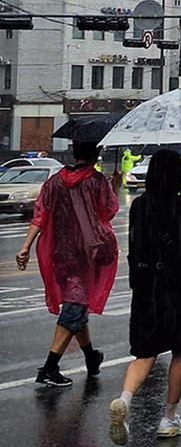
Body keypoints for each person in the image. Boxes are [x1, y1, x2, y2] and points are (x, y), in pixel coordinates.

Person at [108, 150, 181, 443]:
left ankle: (124, 400)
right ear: (178, 174)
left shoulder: (139, 206)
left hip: (146, 287)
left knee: (145, 353)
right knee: (180, 350)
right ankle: (169, 417)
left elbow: (135, 245)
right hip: (178, 288)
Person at [15, 140, 118, 388]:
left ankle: (91, 356)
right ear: (96, 155)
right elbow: (110, 210)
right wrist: (114, 185)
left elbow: (40, 215)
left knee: (77, 302)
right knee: (74, 307)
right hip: (87, 254)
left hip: (60, 254)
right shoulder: (97, 182)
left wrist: (26, 246)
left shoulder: (54, 182)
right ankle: (50, 367)